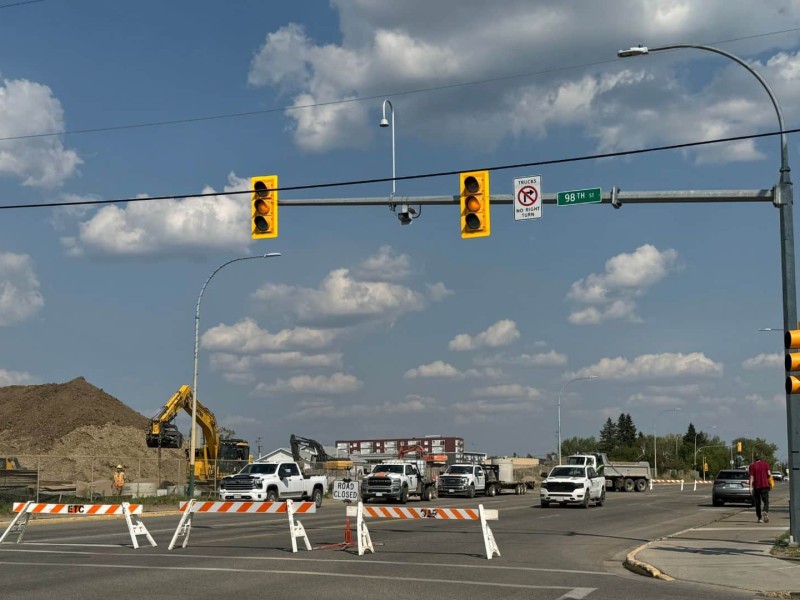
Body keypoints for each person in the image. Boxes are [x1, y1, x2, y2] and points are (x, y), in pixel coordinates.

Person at [748, 453, 771, 523]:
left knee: (757, 503)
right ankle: (765, 510)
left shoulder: (752, 466)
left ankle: (759, 518)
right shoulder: (766, 464)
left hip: (756, 486)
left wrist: (750, 487)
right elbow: (769, 474)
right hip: (765, 485)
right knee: (766, 500)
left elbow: (751, 477)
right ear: (761, 458)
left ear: (755, 458)